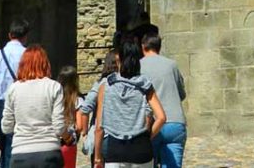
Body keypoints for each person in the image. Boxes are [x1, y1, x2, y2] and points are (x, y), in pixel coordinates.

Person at [93, 39, 166, 168]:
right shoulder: (145, 86)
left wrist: (98, 157)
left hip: (115, 150)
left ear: (118, 58)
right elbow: (161, 117)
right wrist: (147, 137)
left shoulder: (106, 86)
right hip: (141, 149)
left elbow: (99, 127)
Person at [0, 45, 64, 167]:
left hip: (21, 152)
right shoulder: (54, 87)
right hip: (49, 150)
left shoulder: (13, 89)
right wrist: (68, 136)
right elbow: (59, 127)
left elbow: (6, 127)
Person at [0, 18, 30, 168]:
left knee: (4, 148)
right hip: (20, 105)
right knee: (14, 148)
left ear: (10, 35)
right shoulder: (28, 56)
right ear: (26, 36)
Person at [139, 34, 186, 168]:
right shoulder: (172, 65)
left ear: (143, 47)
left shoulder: (139, 66)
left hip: (151, 123)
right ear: (159, 47)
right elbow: (181, 94)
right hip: (175, 121)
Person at [78, 51, 119, 166]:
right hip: (115, 136)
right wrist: (86, 132)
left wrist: (85, 132)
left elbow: (85, 109)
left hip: (104, 138)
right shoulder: (108, 83)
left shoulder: (101, 83)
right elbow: (85, 109)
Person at [56, 66, 80, 167]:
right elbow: (79, 126)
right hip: (69, 142)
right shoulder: (77, 100)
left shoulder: (54, 98)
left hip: (54, 141)